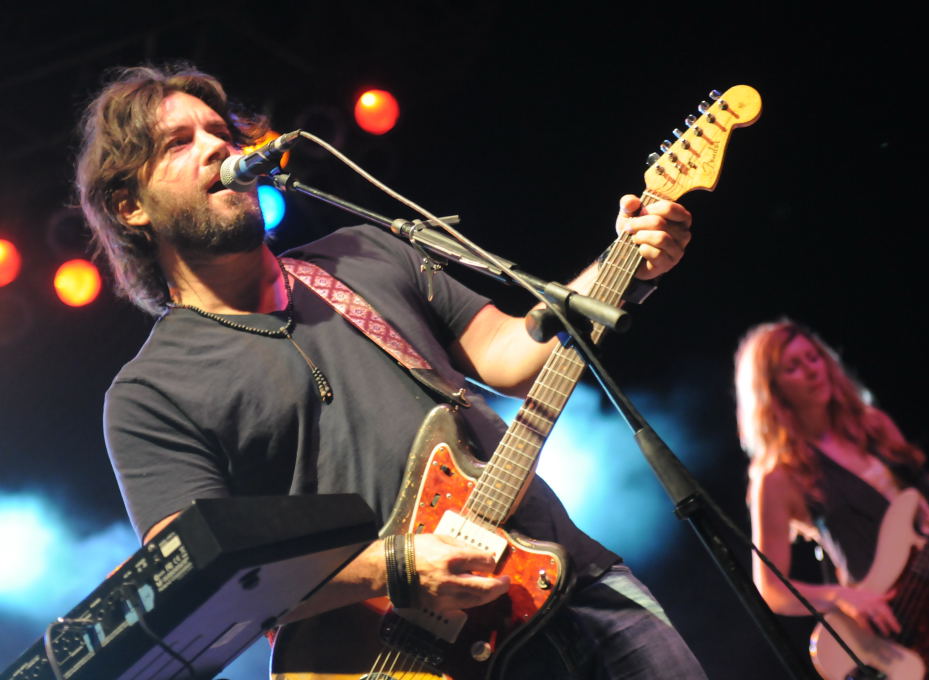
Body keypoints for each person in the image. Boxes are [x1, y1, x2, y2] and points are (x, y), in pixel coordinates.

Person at [74, 63, 707, 679]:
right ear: (130, 206)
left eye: (221, 133)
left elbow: (511, 357)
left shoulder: (361, 253)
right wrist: (396, 567)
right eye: (179, 143)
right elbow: (204, 585)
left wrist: (625, 267)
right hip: (404, 658)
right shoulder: (150, 393)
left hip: (571, 582)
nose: (217, 148)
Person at [734, 320, 929, 679]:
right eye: (792, 366)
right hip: (905, 623)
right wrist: (841, 597)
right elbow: (771, 588)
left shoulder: (872, 424)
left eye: (813, 358)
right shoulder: (778, 477)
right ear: (771, 389)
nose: (811, 371)